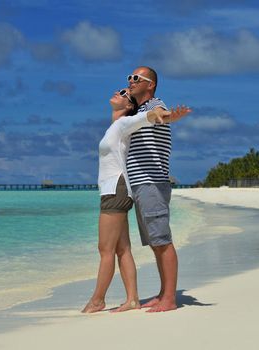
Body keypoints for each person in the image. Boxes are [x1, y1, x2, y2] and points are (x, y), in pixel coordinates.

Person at [82, 88, 191, 313]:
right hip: (115, 188)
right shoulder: (118, 127)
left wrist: (167, 115)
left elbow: (148, 116)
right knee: (122, 249)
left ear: (129, 105)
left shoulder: (124, 123)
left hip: (116, 188)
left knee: (105, 248)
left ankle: (97, 300)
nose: (118, 91)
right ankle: (132, 299)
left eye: (123, 93)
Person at [126, 66, 179, 312]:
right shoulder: (137, 110)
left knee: (162, 241)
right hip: (140, 184)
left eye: (136, 78)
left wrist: (172, 116)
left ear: (151, 85)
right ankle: (163, 292)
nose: (130, 81)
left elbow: (163, 115)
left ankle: (169, 298)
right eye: (129, 77)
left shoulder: (154, 104)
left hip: (151, 182)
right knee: (155, 243)